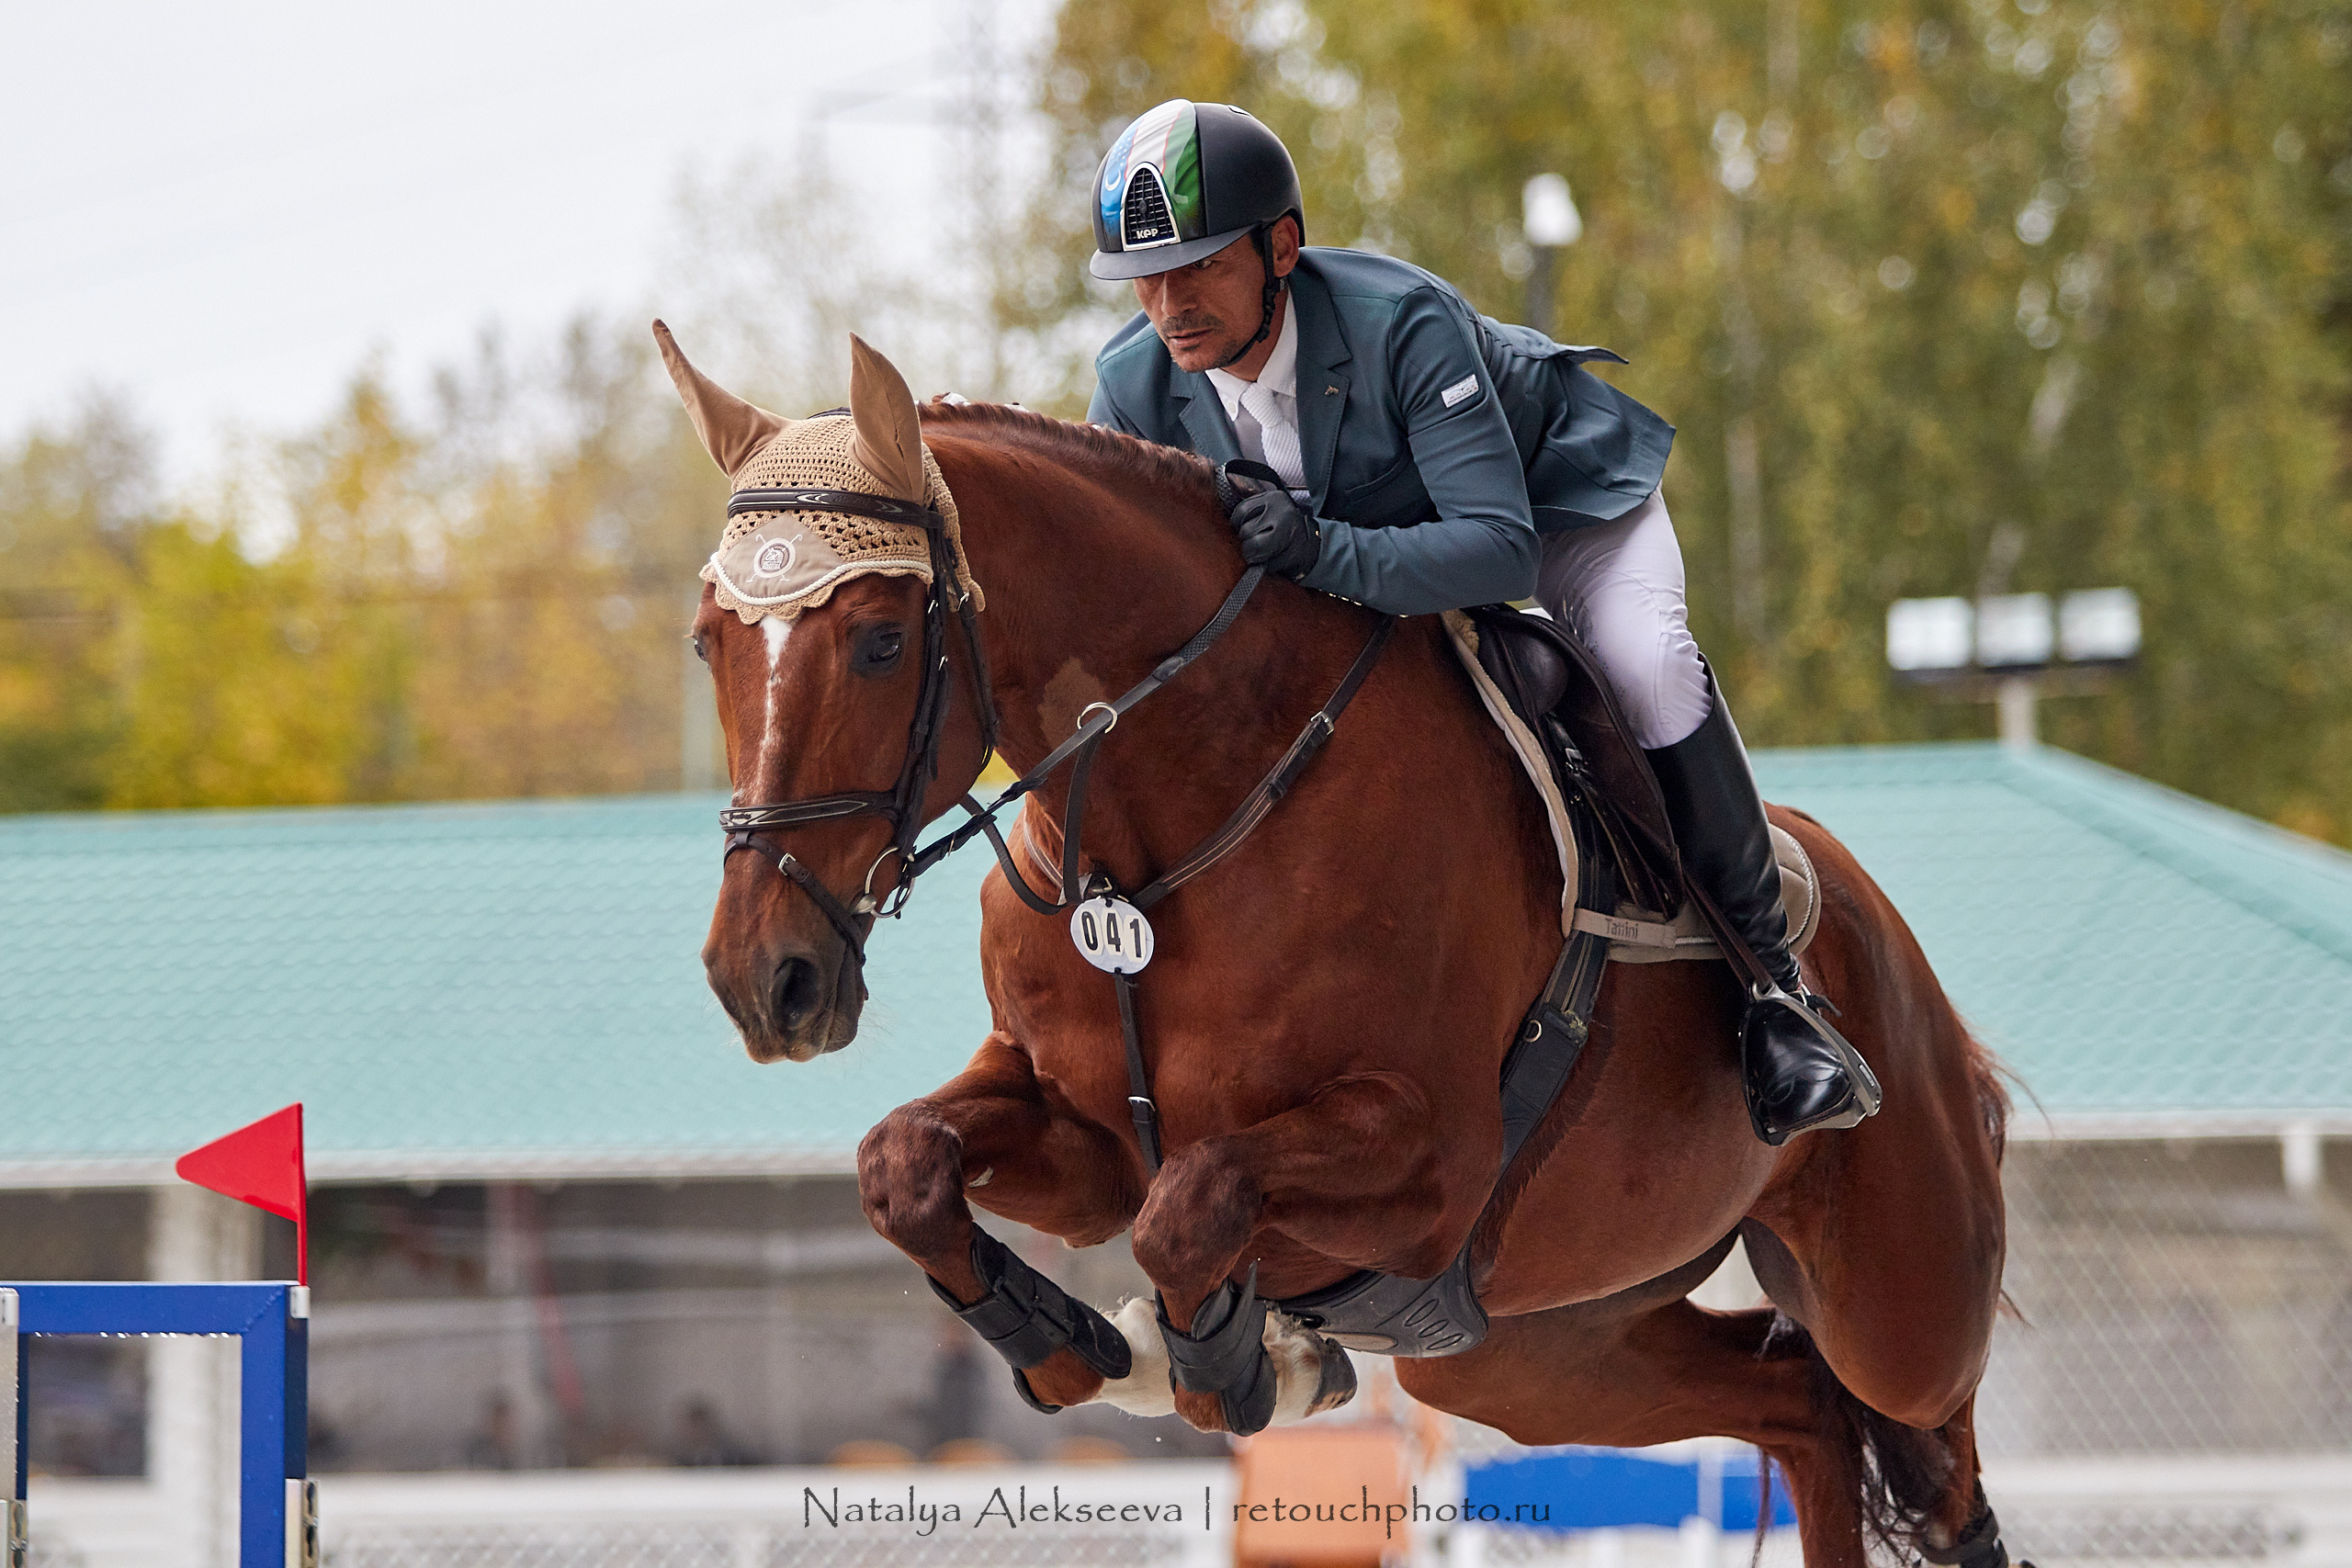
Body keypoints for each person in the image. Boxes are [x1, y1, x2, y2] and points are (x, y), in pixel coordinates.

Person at [1084, 100, 1879, 1145]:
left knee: (1645, 664)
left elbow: (1498, 550)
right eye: (1145, 278)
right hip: (1374, 553)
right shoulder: (1131, 387)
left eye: (1198, 268)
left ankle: (1777, 997)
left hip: (1554, 511)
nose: (1169, 304)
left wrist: (1318, 549)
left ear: (1280, 248)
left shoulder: (1399, 322)